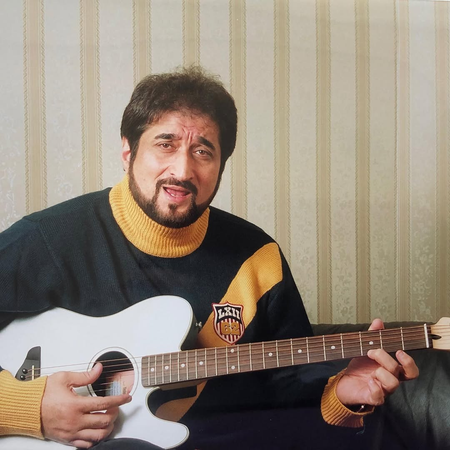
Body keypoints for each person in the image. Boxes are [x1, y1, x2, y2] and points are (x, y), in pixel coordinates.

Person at [0, 66, 418, 450]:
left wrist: (343, 395)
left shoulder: (258, 258)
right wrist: (28, 408)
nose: (182, 171)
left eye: (203, 152)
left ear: (221, 165)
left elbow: (291, 390)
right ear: (128, 151)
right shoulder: (46, 241)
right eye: (165, 144)